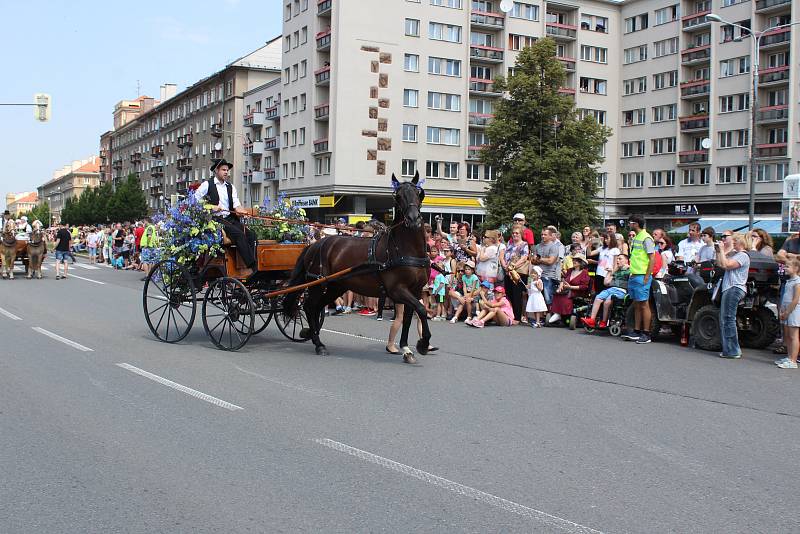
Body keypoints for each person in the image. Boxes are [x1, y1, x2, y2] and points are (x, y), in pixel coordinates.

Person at [194, 158, 257, 276]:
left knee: (251, 235)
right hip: (216, 220)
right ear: (216, 170)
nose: (226, 172)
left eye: (227, 170)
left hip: (229, 218)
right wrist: (211, 207)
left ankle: (248, 265)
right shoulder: (207, 184)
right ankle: (251, 266)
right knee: (239, 235)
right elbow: (194, 202)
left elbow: (237, 205)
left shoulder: (230, 186)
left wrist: (243, 212)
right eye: (223, 170)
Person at [622, 215, 656, 344]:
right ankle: (636, 331)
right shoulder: (637, 237)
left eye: (630, 222)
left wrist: (647, 276)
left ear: (635, 224)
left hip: (642, 275)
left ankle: (646, 333)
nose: (629, 225)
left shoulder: (646, 237)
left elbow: (652, 258)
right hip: (635, 274)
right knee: (637, 303)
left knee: (644, 304)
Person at [716, 233, 750, 358]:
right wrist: (720, 252)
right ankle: (730, 349)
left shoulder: (743, 255)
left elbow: (727, 265)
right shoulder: (737, 255)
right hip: (731, 288)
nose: (733, 243)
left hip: (734, 288)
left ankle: (732, 350)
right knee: (726, 319)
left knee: (728, 319)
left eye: (736, 241)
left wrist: (721, 250)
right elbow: (721, 263)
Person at [582, 254, 630, 329]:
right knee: (598, 298)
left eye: (620, 259)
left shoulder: (629, 270)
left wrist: (628, 268)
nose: (617, 260)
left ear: (626, 261)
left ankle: (604, 321)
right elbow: (606, 283)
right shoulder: (616, 271)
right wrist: (610, 272)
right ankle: (592, 320)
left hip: (621, 290)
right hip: (611, 289)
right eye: (617, 259)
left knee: (607, 301)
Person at [500, 225, 530, 323]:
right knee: (509, 293)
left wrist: (513, 266)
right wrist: (505, 264)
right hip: (508, 272)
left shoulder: (524, 244)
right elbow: (505, 256)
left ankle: (517, 317)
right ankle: (510, 314)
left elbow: (524, 258)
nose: (514, 235)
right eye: (513, 233)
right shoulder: (509, 243)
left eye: (517, 233)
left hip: (518, 272)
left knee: (517, 295)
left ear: (521, 234)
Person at [548, 254, 590, 324]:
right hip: (567, 289)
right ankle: (557, 313)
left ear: (580, 262)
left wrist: (570, 287)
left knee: (567, 294)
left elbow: (584, 286)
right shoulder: (570, 270)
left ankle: (561, 314)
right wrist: (560, 287)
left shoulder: (584, 273)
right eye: (573, 260)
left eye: (575, 261)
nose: (573, 261)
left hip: (577, 291)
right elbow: (564, 280)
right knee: (557, 293)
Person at [776, 258, 800, 369]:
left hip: (793, 311)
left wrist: (787, 312)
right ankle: (789, 357)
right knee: (788, 336)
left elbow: (795, 300)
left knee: (793, 336)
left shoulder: (797, 282)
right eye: (785, 266)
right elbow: (785, 297)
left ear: (796, 268)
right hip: (786, 311)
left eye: (788, 266)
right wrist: (782, 310)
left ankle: (793, 360)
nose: (785, 268)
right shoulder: (788, 281)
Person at [530, 226, 560, 306]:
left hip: (548, 275)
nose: (543, 236)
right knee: (538, 298)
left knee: (548, 299)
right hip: (537, 276)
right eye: (542, 234)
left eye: (545, 235)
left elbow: (550, 261)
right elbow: (533, 261)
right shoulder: (538, 246)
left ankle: (549, 316)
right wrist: (536, 260)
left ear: (550, 236)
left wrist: (539, 259)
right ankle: (541, 317)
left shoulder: (554, 246)